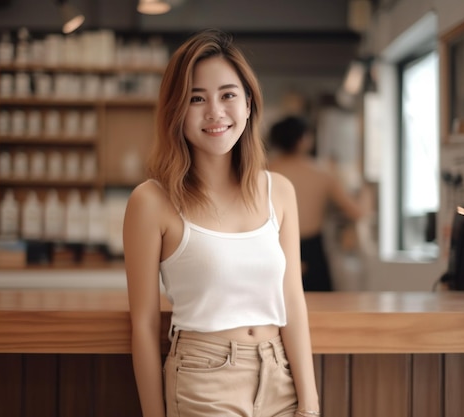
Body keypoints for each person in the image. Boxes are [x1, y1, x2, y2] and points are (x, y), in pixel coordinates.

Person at [123, 29, 321, 417]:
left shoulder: (278, 191)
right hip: (203, 380)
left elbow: (293, 304)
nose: (215, 112)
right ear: (176, 111)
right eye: (197, 98)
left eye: (228, 95)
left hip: (280, 376)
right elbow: (144, 327)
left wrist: (310, 403)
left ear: (248, 104)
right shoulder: (151, 201)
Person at [268, 115, 363, 291]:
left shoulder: (263, 171)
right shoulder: (321, 173)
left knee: (275, 310)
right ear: (304, 139)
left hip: (272, 247)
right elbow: (356, 212)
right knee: (321, 311)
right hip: (312, 250)